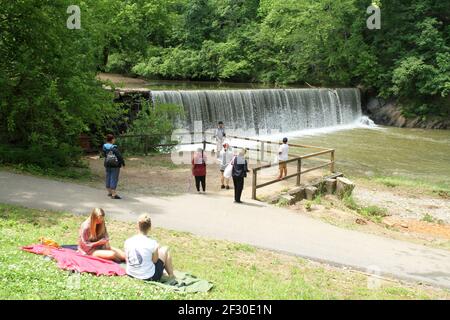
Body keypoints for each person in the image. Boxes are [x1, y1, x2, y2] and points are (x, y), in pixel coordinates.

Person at [124, 214, 175, 282]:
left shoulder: (128, 241)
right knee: (165, 249)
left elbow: (127, 259)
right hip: (148, 277)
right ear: (150, 227)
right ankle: (171, 275)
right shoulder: (153, 243)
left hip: (130, 273)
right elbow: (155, 261)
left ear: (138, 226)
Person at [103, 134, 125, 199]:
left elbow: (104, 155)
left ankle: (109, 192)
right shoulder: (113, 147)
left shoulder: (104, 147)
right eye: (114, 139)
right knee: (114, 178)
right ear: (112, 140)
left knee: (108, 177)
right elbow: (119, 156)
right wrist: (123, 164)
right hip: (115, 165)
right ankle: (114, 194)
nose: (114, 140)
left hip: (107, 164)